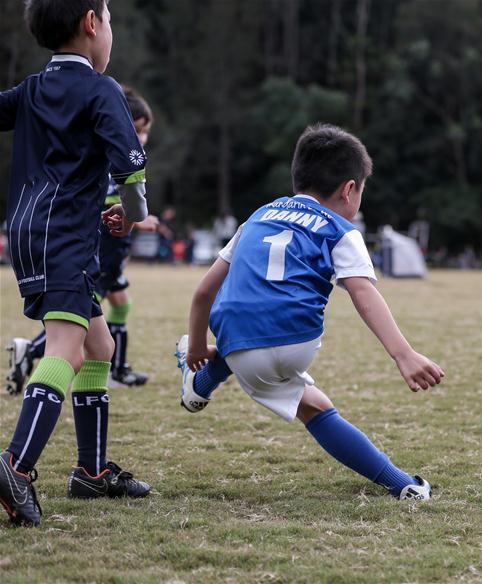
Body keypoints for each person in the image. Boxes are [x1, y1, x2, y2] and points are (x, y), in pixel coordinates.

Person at [175, 124, 444, 501]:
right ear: (349, 189)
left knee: (247, 347)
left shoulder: (257, 217)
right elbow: (363, 292)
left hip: (234, 337)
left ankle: (198, 380)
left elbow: (204, 291)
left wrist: (195, 349)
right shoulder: (340, 229)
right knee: (316, 409)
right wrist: (404, 354)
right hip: (294, 342)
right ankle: (403, 486)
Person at [0, 0, 151, 527]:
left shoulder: (31, 90)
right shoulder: (101, 89)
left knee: (98, 346)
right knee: (65, 345)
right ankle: (15, 466)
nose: (110, 30)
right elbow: (130, 169)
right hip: (63, 235)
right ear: (91, 23)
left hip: (29, 232)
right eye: (109, 19)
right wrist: (133, 214)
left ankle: (91, 472)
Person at [6, 86, 160, 394]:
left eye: (145, 132)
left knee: (116, 310)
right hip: (97, 248)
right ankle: (32, 351)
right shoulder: (108, 150)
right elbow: (104, 198)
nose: (142, 138)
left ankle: (118, 369)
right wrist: (135, 217)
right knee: (78, 324)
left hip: (109, 250)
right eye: (137, 130)